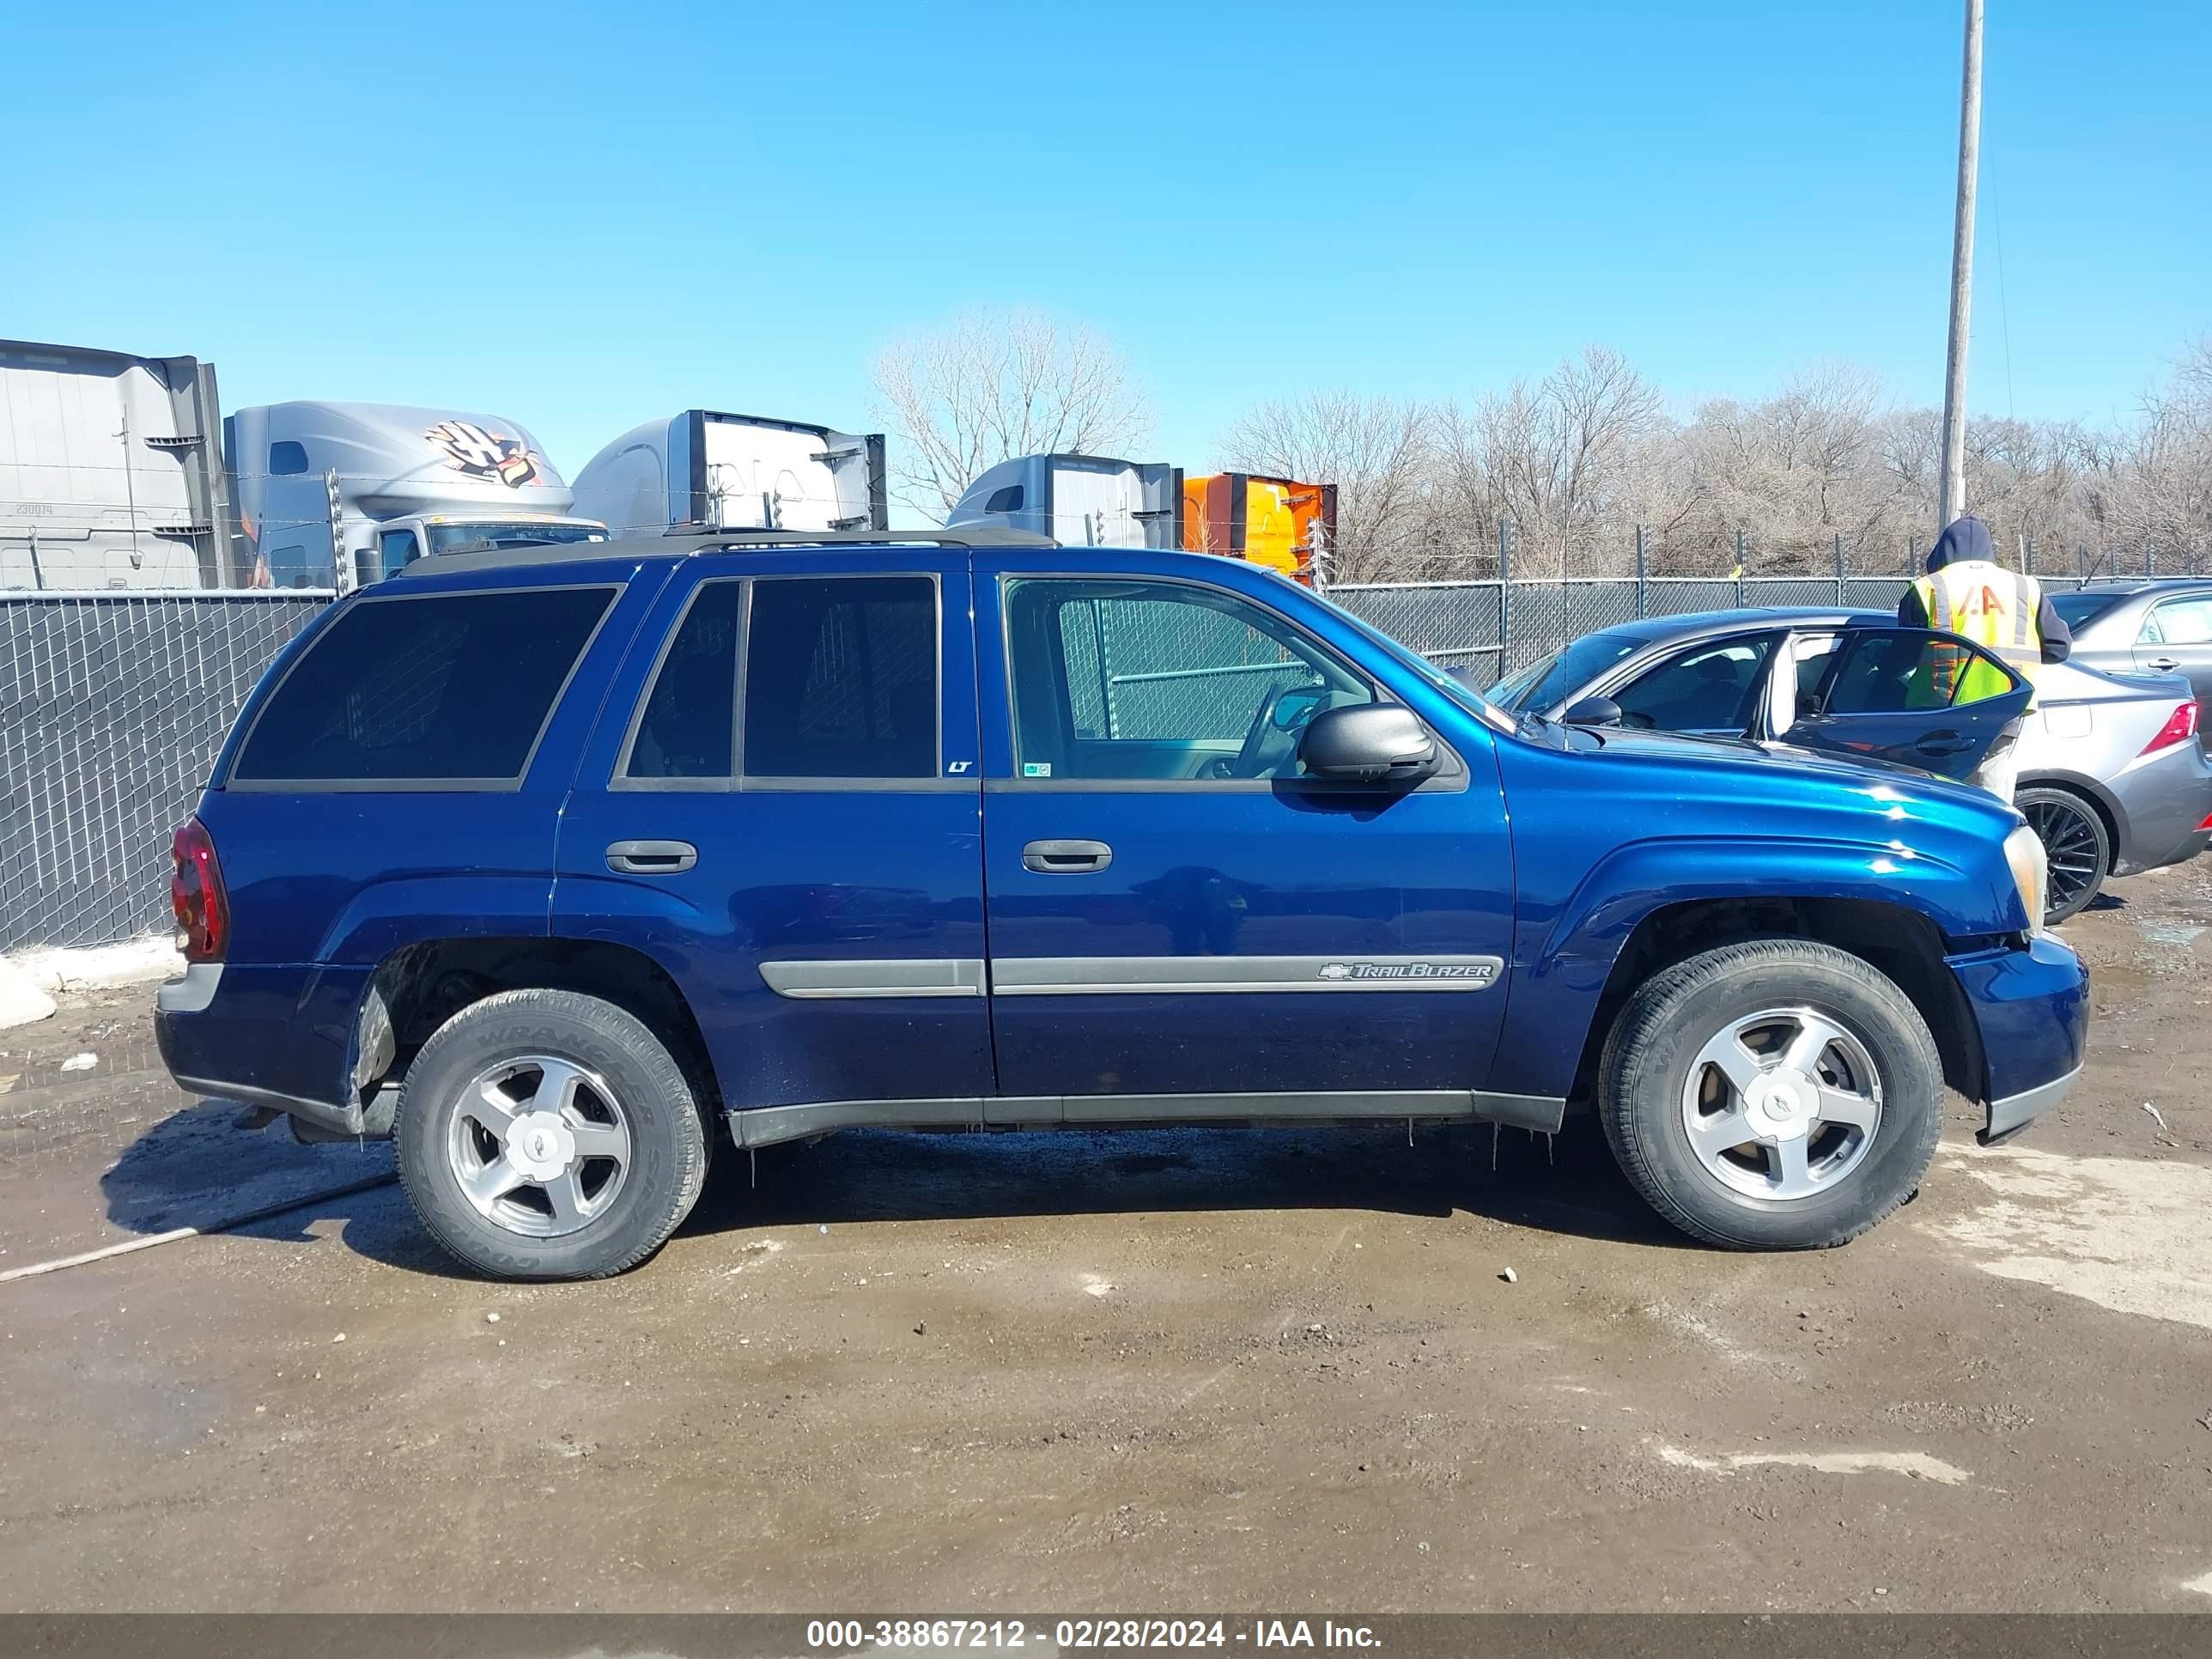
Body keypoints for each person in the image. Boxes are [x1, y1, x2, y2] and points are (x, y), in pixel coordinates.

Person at [1897, 515, 2072, 802]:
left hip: (1941, 707)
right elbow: (2058, 647)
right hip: (2006, 705)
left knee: (1940, 795)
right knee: (1991, 792)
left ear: (1942, 551)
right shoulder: (2024, 587)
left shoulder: (1929, 587)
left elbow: (1901, 658)